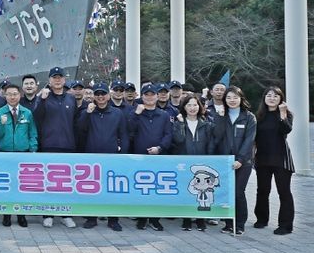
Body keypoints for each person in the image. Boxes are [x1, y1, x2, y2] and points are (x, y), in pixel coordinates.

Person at [77, 82, 129, 231]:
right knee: (92, 189)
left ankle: (113, 219)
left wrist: (123, 154)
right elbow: (80, 129)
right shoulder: (88, 111)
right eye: (97, 94)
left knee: (111, 189)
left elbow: (123, 135)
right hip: (91, 157)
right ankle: (91, 218)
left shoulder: (117, 113)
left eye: (103, 94)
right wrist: (87, 113)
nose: (100, 97)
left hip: (112, 157)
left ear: (108, 95)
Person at [33, 67, 78, 229]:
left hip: (68, 145)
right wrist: (42, 100)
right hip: (49, 145)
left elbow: (75, 122)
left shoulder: (71, 98)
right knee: (49, 182)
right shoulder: (43, 97)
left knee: (66, 183)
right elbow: (36, 116)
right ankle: (48, 214)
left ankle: (66, 214)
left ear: (64, 80)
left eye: (60, 77)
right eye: (54, 77)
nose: (57, 80)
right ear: (49, 80)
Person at [0, 83, 37, 227]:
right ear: (5, 96)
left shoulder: (27, 113)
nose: (12, 97)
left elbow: (32, 133)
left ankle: (21, 215)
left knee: (21, 186)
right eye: (9, 94)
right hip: (5, 154)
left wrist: (33, 149)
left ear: (20, 95)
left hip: (22, 154)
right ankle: (7, 215)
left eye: (15, 94)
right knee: (7, 186)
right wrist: (1, 124)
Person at [213, 86, 256, 236]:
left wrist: (241, 159)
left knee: (238, 192)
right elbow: (217, 136)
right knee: (226, 193)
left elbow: (249, 140)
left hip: (243, 162)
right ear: (224, 99)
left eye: (235, 97)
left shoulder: (249, 117)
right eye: (229, 97)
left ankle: (240, 224)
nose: (232, 100)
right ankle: (228, 223)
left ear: (241, 99)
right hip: (225, 161)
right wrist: (220, 118)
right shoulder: (221, 115)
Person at [130, 83, 173, 231]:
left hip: (158, 157)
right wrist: (136, 114)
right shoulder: (136, 112)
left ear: (157, 96)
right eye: (146, 95)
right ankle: (141, 218)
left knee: (156, 189)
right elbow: (129, 130)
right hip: (140, 157)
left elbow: (168, 135)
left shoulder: (164, 115)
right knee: (141, 189)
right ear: (142, 97)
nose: (149, 97)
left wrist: (160, 148)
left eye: (152, 94)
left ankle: (155, 219)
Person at [253, 86, 295, 235]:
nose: (272, 98)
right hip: (262, 158)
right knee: (262, 191)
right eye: (269, 95)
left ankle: (285, 225)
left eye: (276, 96)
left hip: (281, 159)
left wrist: (283, 113)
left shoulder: (287, 114)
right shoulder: (258, 116)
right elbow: (254, 138)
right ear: (264, 98)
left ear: (281, 99)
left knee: (284, 192)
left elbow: (286, 130)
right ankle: (261, 219)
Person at [172, 94, 214, 231]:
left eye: (195, 105)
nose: (192, 108)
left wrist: (209, 159)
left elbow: (210, 144)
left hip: (201, 162)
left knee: (201, 191)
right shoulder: (179, 122)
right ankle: (186, 219)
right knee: (187, 191)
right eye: (189, 105)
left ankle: (200, 219)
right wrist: (181, 124)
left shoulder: (206, 124)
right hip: (184, 163)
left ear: (199, 107)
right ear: (184, 107)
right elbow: (178, 140)